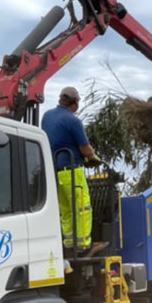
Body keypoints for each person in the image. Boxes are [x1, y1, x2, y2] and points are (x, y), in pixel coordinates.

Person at [41, 86, 104, 254]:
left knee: (66, 209)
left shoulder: (47, 116)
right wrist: (93, 158)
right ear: (75, 103)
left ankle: (69, 244)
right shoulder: (73, 121)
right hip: (71, 170)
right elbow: (85, 149)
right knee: (81, 207)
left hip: (54, 172)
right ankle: (84, 245)